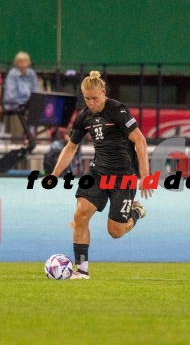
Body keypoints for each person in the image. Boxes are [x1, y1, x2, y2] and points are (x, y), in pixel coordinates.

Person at [48, 71, 153, 280]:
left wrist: (145, 176)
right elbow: (70, 147)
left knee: (115, 231)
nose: (91, 102)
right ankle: (82, 271)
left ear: (103, 92)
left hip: (123, 176)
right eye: (87, 98)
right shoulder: (84, 116)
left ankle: (137, 211)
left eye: (94, 98)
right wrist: (54, 174)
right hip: (98, 172)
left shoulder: (118, 111)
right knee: (80, 214)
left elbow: (140, 141)